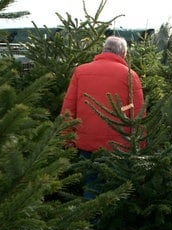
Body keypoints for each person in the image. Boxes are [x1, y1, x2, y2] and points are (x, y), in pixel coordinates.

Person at [61, 36, 145, 198]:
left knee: (91, 185)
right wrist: (140, 143)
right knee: (117, 187)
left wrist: (66, 137)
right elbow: (138, 111)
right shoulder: (130, 75)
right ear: (123, 53)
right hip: (118, 144)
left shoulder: (80, 71)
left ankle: (90, 220)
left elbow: (69, 107)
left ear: (103, 50)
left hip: (86, 142)